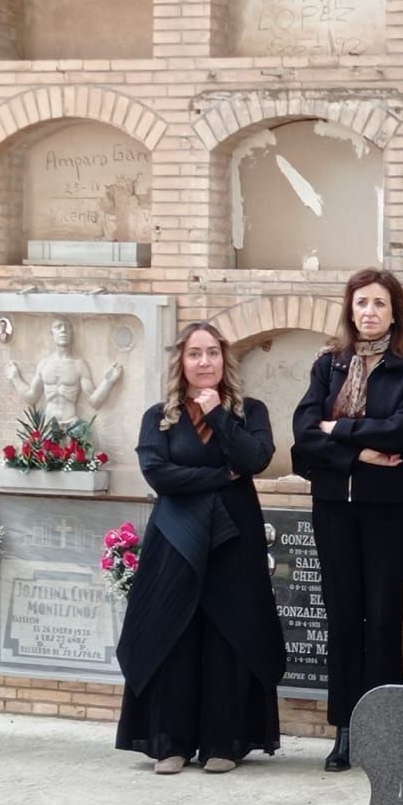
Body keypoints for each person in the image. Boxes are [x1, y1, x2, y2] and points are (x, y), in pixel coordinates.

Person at [114, 323, 285, 774]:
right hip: (176, 538)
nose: (204, 362)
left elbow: (254, 459)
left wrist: (218, 417)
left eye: (212, 353)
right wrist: (220, 477)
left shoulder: (249, 411)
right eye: (195, 354)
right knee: (176, 632)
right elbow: (158, 474)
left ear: (224, 360)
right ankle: (170, 743)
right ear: (182, 362)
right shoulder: (160, 416)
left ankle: (222, 744)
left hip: (234, 538)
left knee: (229, 633)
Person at [291, 269, 403, 772]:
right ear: (350, 310)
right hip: (334, 508)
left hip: (388, 512)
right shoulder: (328, 365)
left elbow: (400, 432)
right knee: (343, 617)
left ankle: (384, 729)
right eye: (361, 303)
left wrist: (338, 429)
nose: (369, 311)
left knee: (382, 617)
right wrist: (359, 453)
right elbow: (303, 432)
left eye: (378, 303)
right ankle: (346, 730)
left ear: (394, 313)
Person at [7, 317, 122, 426]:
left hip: (71, 424)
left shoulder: (79, 365)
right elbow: (31, 397)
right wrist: (15, 378)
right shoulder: (44, 364)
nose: (63, 330)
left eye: (67, 327)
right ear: (52, 333)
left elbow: (94, 402)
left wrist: (108, 382)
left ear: (72, 333)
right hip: (48, 425)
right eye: (58, 326)